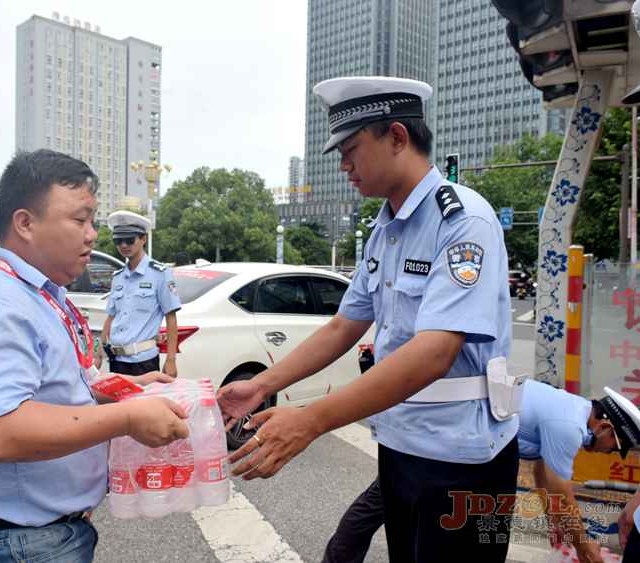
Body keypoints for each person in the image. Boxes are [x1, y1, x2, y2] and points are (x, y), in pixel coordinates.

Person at [218, 76, 519, 562]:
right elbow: (345, 324)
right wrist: (262, 384)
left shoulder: (464, 222)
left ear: (398, 137)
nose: (344, 166)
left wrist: (310, 421)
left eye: (352, 148)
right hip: (402, 446)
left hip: (464, 458)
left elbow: (434, 352)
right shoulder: (385, 229)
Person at [0, 149, 188, 563]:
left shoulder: (36, 296)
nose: (92, 235)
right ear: (26, 223)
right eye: (79, 219)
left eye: (92, 221)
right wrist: (127, 419)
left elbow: (63, 389)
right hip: (16, 544)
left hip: (39, 537)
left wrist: (128, 389)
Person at [323, 382, 640, 563]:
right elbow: (560, 488)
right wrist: (585, 549)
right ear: (604, 426)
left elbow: (544, 474)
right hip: (448, 444)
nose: (611, 452)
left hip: (464, 448)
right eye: (615, 445)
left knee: (404, 508)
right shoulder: (568, 426)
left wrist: (557, 525)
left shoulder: (572, 409)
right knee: (384, 500)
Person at [98, 210, 181, 377]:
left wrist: (171, 360)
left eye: (129, 240)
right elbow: (111, 317)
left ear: (143, 239)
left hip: (144, 362)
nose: (123, 245)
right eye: (118, 240)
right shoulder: (118, 277)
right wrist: (99, 352)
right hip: (116, 360)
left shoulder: (160, 273)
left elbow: (171, 318)